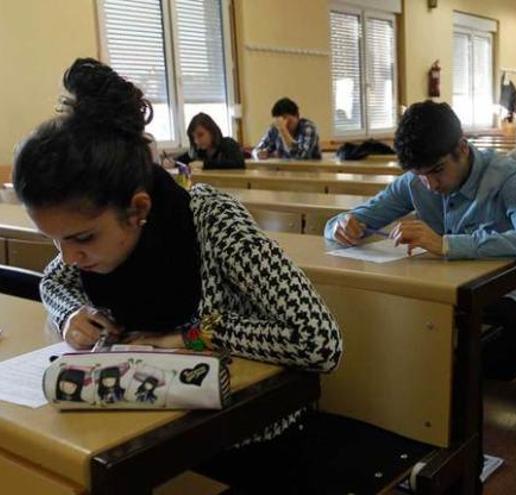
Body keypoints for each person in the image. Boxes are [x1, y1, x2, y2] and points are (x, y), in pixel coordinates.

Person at [13, 58, 342, 490]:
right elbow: (54, 281)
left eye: (82, 239)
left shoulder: (211, 221)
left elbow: (320, 340)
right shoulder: (89, 237)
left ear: (139, 210)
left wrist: (192, 335)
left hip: (244, 440)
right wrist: (70, 314)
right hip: (149, 424)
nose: (70, 257)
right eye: (55, 242)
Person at [324, 100, 516, 442]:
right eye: (420, 176)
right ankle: (405, 437)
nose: (430, 185)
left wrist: (448, 244)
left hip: (515, 301)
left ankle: (460, 456)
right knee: (389, 329)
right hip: (451, 297)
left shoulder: (507, 176)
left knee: (436, 346)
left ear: (462, 149)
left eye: (437, 171)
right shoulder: (417, 180)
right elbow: (357, 217)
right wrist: (340, 226)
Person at [165, 113, 244, 170]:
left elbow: (238, 164)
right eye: (194, 137)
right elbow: (180, 160)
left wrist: (204, 165)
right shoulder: (198, 151)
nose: (196, 141)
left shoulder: (228, 143)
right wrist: (172, 162)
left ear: (212, 131)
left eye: (200, 135)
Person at [253, 97, 321, 160]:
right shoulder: (275, 129)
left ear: (297, 116)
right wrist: (260, 154)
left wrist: (283, 131)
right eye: (279, 120)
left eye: (286, 118)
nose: (283, 123)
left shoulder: (308, 128)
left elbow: (301, 157)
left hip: (309, 171)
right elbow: (255, 151)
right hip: (284, 171)